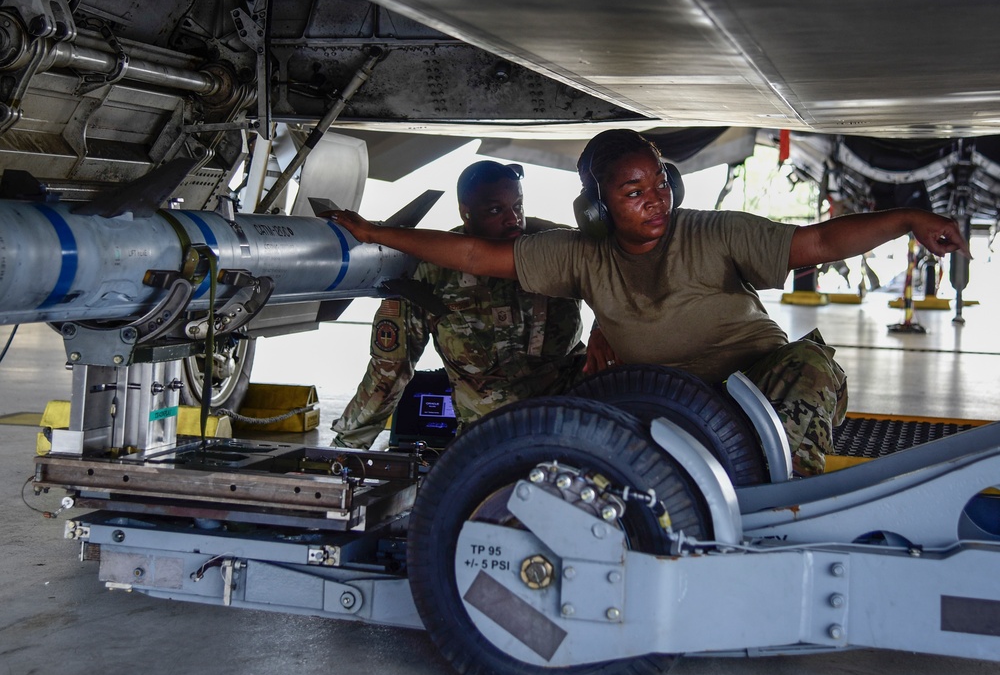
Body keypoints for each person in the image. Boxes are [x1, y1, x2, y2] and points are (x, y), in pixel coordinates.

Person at [325, 130, 970, 475]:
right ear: (598, 208)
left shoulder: (714, 234)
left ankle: (790, 513)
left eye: (659, 184)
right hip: (663, 402)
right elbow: (471, 256)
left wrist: (907, 218)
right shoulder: (579, 255)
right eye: (632, 192)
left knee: (802, 382)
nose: (654, 200)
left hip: (757, 383)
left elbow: (820, 240)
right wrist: (375, 232)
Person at [331, 160, 588, 449]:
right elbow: (389, 371)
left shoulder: (557, 252)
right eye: (495, 210)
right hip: (485, 445)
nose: (513, 219)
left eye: (518, 206)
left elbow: (617, 300)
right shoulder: (430, 273)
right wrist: (344, 449)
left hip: (572, 432)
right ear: (466, 213)